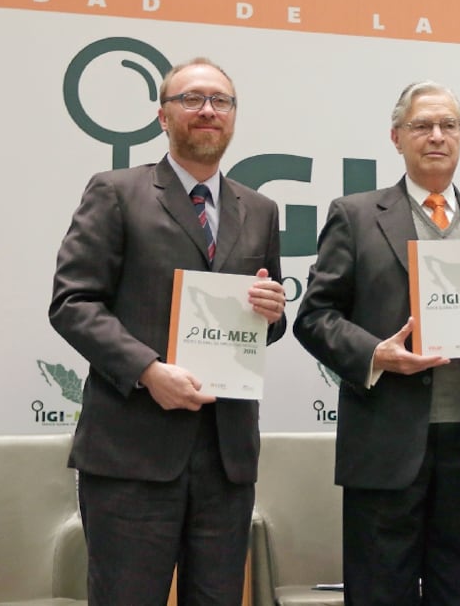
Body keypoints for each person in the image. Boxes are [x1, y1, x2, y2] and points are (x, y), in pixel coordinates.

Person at [49, 57, 288, 605]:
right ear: (162, 115)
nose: (207, 110)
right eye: (191, 99)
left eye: (220, 101)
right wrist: (147, 371)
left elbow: (262, 326)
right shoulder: (116, 191)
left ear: (233, 117)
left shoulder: (260, 209)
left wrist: (272, 311)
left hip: (227, 458)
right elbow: (72, 302)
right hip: (132, 451)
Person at [292, 80, 460, 606]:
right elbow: (314, 317)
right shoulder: (354, 216)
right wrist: (375, 354)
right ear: (397, 137)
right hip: (385, 440)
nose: (436, 136)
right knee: (380, 592)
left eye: (448, 125)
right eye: (422, 126)